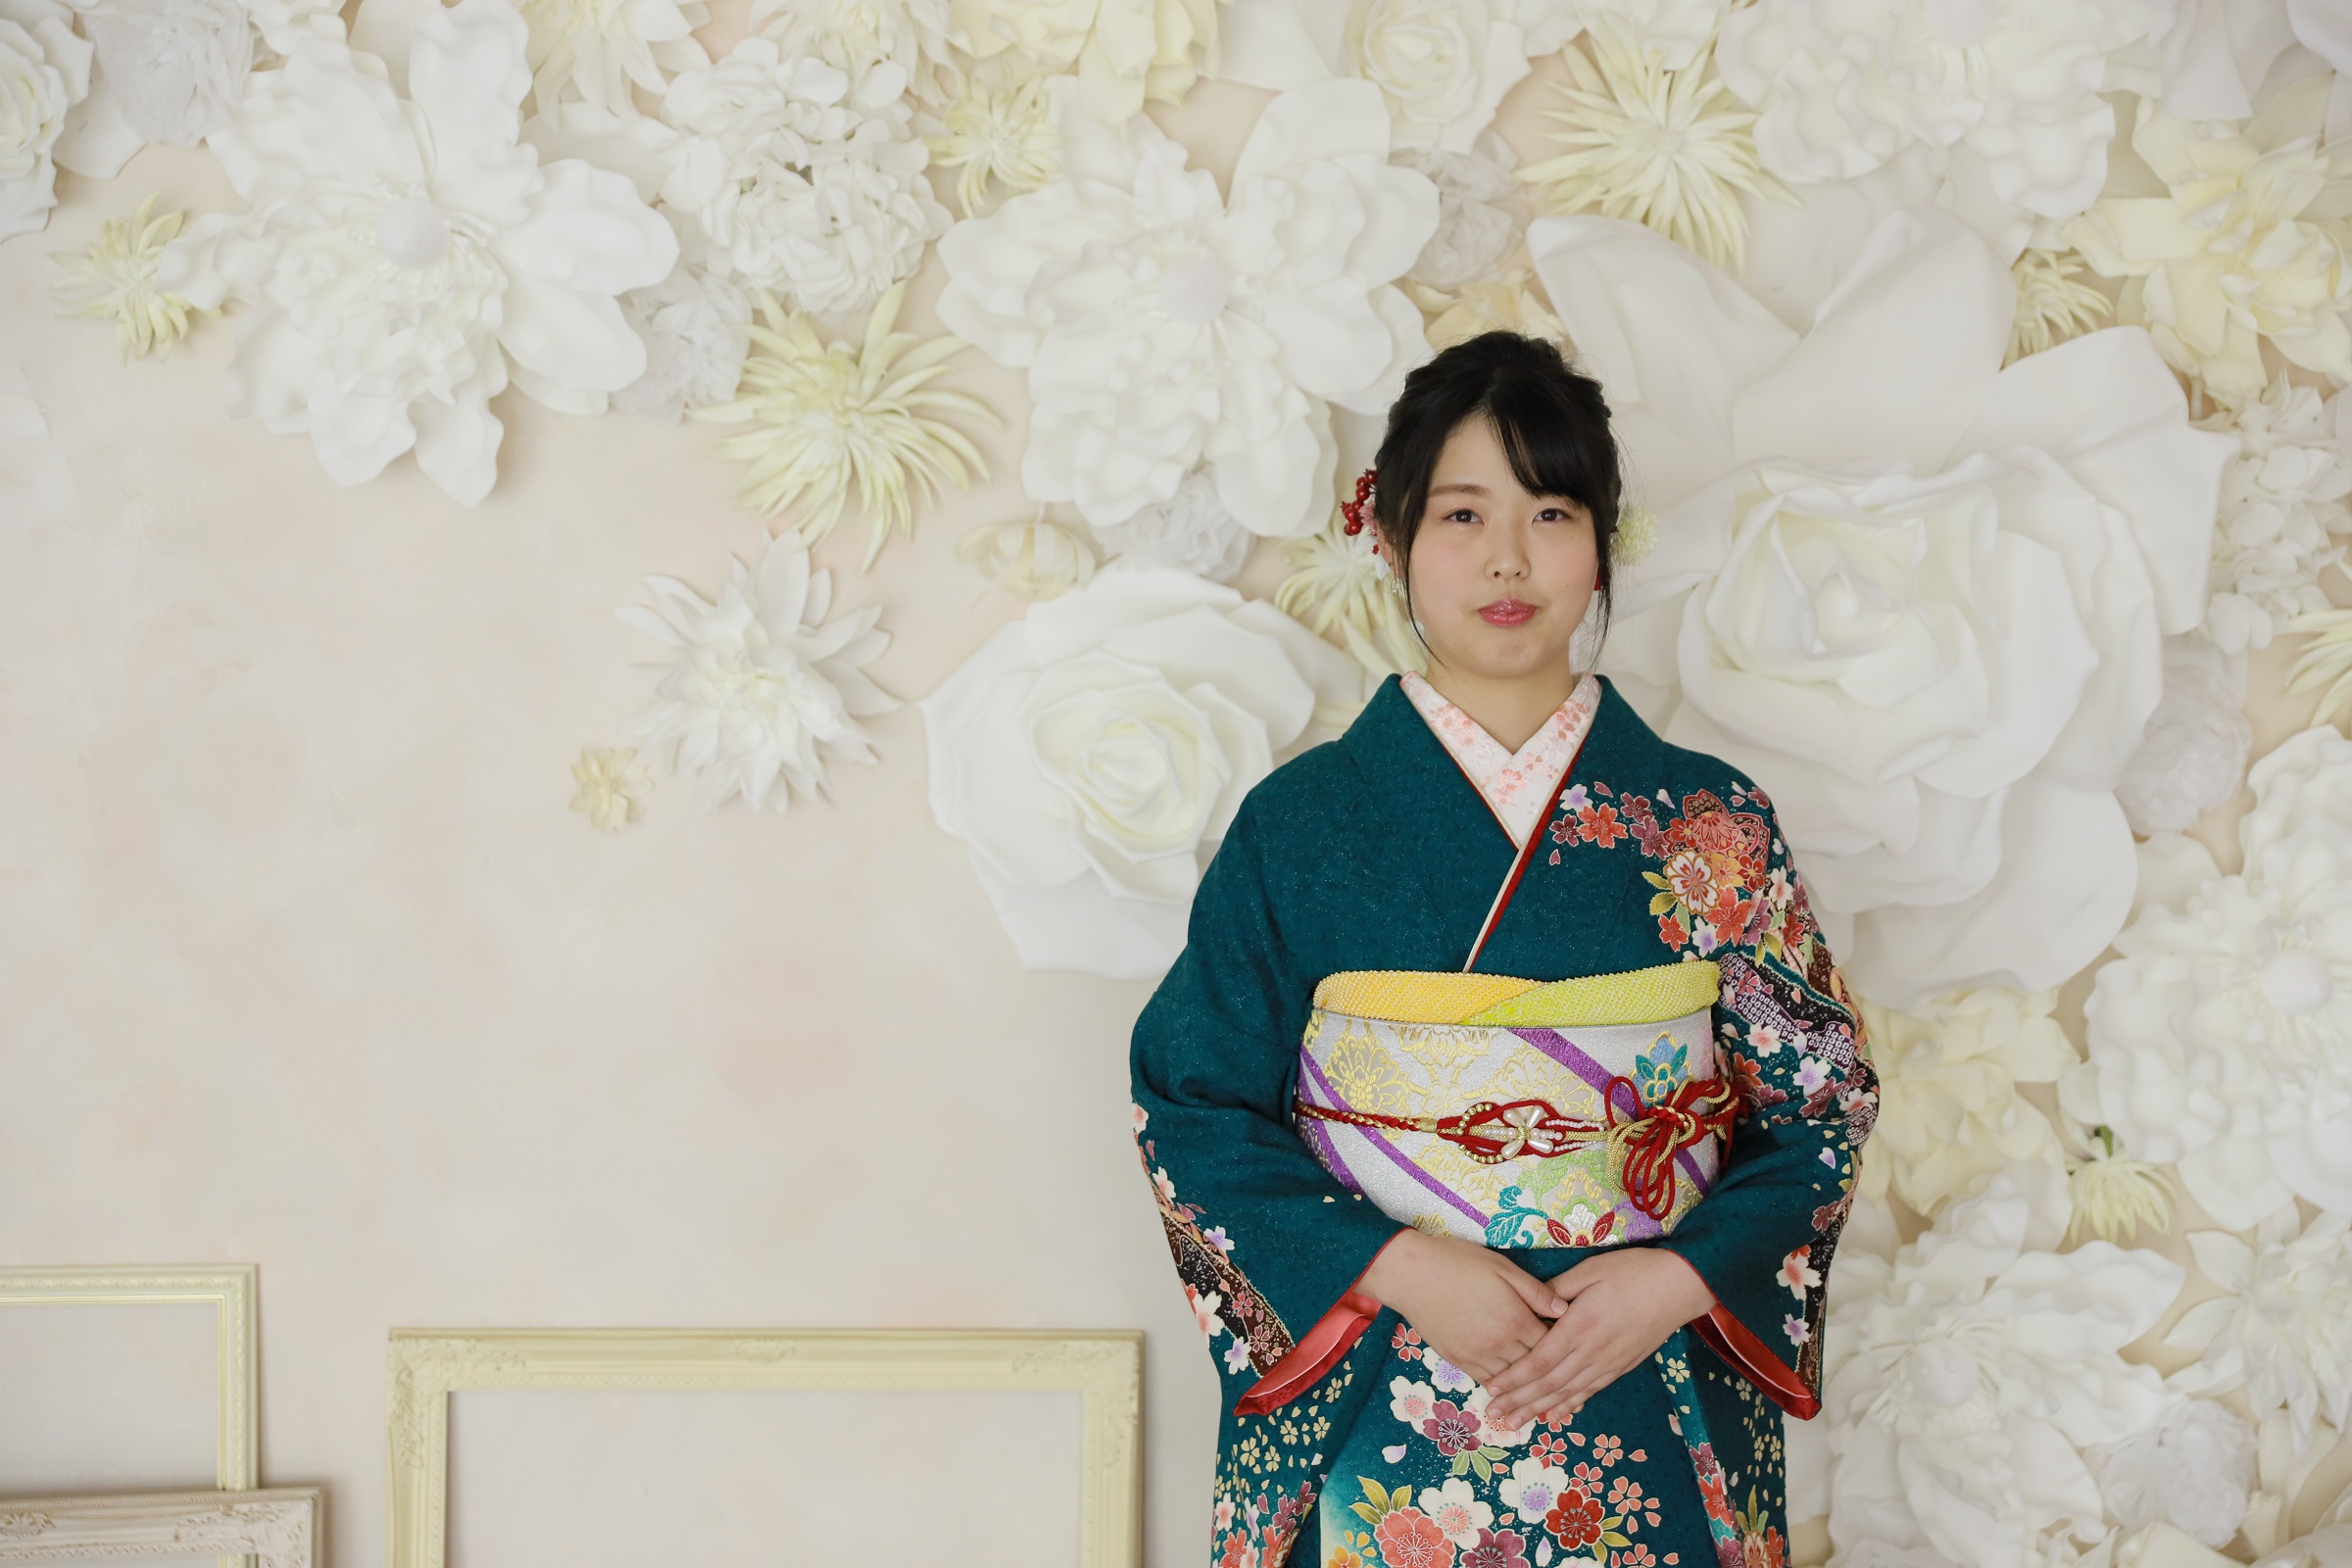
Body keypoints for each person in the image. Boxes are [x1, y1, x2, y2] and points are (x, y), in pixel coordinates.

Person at [1129, 331, 1881, 1568]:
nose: (1508, 559)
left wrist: (1680, 1281)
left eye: (1551, 513)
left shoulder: (1711, 824)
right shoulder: (1302, 823)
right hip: (1382, 1369)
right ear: (1391, 537)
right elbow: (1193, 1101)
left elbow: (1820, 1105)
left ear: (1602, 544)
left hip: (1643, 1368)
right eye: (1463, 514)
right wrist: (1396, 1263)